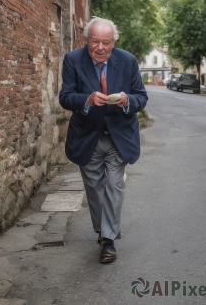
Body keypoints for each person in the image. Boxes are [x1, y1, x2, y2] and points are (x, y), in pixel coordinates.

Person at [58, 17, 148, 263]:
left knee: (115, 185)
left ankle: (108, 241)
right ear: (86, 40)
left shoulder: (128, 61)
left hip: (119, 135)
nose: (99, 47)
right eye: (94, 41)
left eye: (105, 42)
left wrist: (128, 100)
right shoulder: (73, 60)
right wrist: (86, 99)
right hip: (88, 135)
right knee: (95, 190)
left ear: (113, 42)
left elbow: (142, 97)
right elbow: (65, 97)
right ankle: (103, 231)